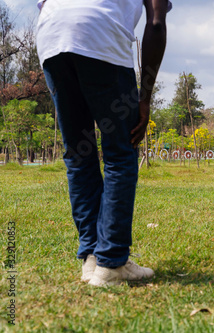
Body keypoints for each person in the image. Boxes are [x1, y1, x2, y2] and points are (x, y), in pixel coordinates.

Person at [36, 0, 171, 286]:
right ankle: (111, 262)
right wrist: (144, 98)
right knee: (121, 151)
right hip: (100, 33)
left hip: (52, 36)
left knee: (78, 153)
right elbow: (156, 23)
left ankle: (92, 259)